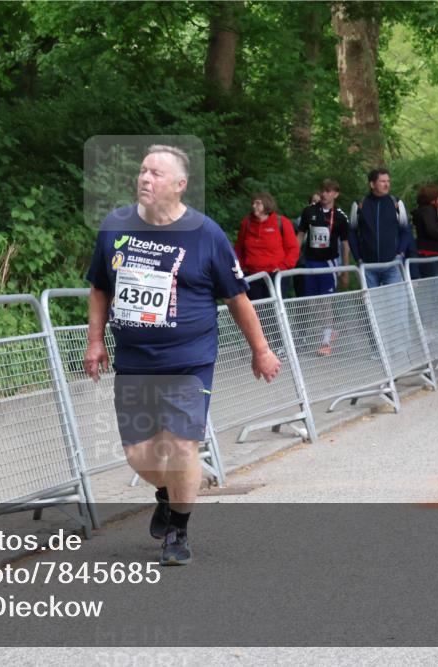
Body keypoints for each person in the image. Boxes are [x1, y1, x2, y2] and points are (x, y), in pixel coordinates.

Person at [84, 145, 280, 566]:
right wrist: (95, 340)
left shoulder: (205, 234)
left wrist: (261, 350)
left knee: (181, 445)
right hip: (134, 359)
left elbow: (237, 298)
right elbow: (100, 287)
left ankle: (178, 530)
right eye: (143, 170)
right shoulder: (115, 226)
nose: (145, 178)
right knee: (138, 454)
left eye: (156, 173)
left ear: (179, 185)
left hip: (190, 360)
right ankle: (168, 493)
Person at [297, 179, 351, 355]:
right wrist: (292, 258)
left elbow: (345, 244)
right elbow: (300, 235)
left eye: (328, 191)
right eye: (323, 190)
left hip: (329, 263)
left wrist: (345, 270)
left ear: (336, 194)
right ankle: (329, 330)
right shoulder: (309, 211)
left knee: (326, 302)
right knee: (312, 302)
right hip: (310, 262)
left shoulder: (341, 217)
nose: (324, 194)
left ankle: (326, 341)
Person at [348, 168, 411, 287]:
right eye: (382, 181)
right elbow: (352, 232)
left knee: (393, 298)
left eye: (388, 181)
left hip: (392, 264)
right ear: (372, 184)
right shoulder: (359, 204)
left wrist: (400, 253)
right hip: (368, 265)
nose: (386, 184)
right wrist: (358, 258)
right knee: (372, 299)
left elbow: (405, 230)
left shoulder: (396, 203)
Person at [234, 192, 299, 301]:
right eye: (253, 203)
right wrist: (241, 267)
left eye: (258, 203)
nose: (254, 206)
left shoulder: (281, 222)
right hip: (252, 275)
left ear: (267, 204)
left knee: (275, 308)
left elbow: (293, 248)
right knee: (255, 309)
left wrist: (283, 266)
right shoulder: (247, 223)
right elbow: (239, 248)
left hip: (276, 275)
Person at [412, 183, 438, 279]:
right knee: (434, 282)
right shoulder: (428, 211)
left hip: (426, 251)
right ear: (433, 199)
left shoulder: (424, 211)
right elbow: (432, 229)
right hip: (431, 253)